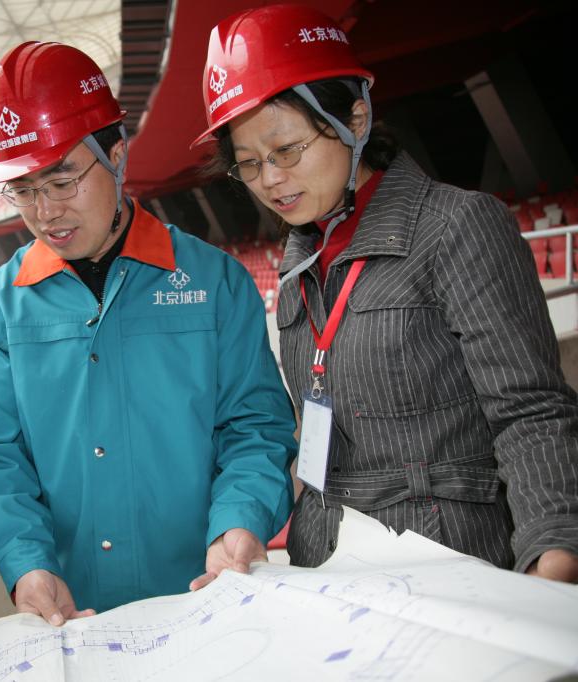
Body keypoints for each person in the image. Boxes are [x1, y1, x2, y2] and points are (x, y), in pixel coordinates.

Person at [193, 4, 578, 582]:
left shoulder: (456, 227)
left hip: (445, 569)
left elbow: (531, 412)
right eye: (248, 164)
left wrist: (554, 553)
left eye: (287, 150)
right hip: (330, 570)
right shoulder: (301, 259)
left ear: (355, 117)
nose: (270, 179)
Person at [0, 41, 298, 626]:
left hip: (207, 596)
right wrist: (25, 563)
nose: (45, 211)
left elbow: (256, 427)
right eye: (24, 189)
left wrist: (239, 522)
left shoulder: (215, 283)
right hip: (76, 615)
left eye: (62, 180)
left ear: (116, 157)